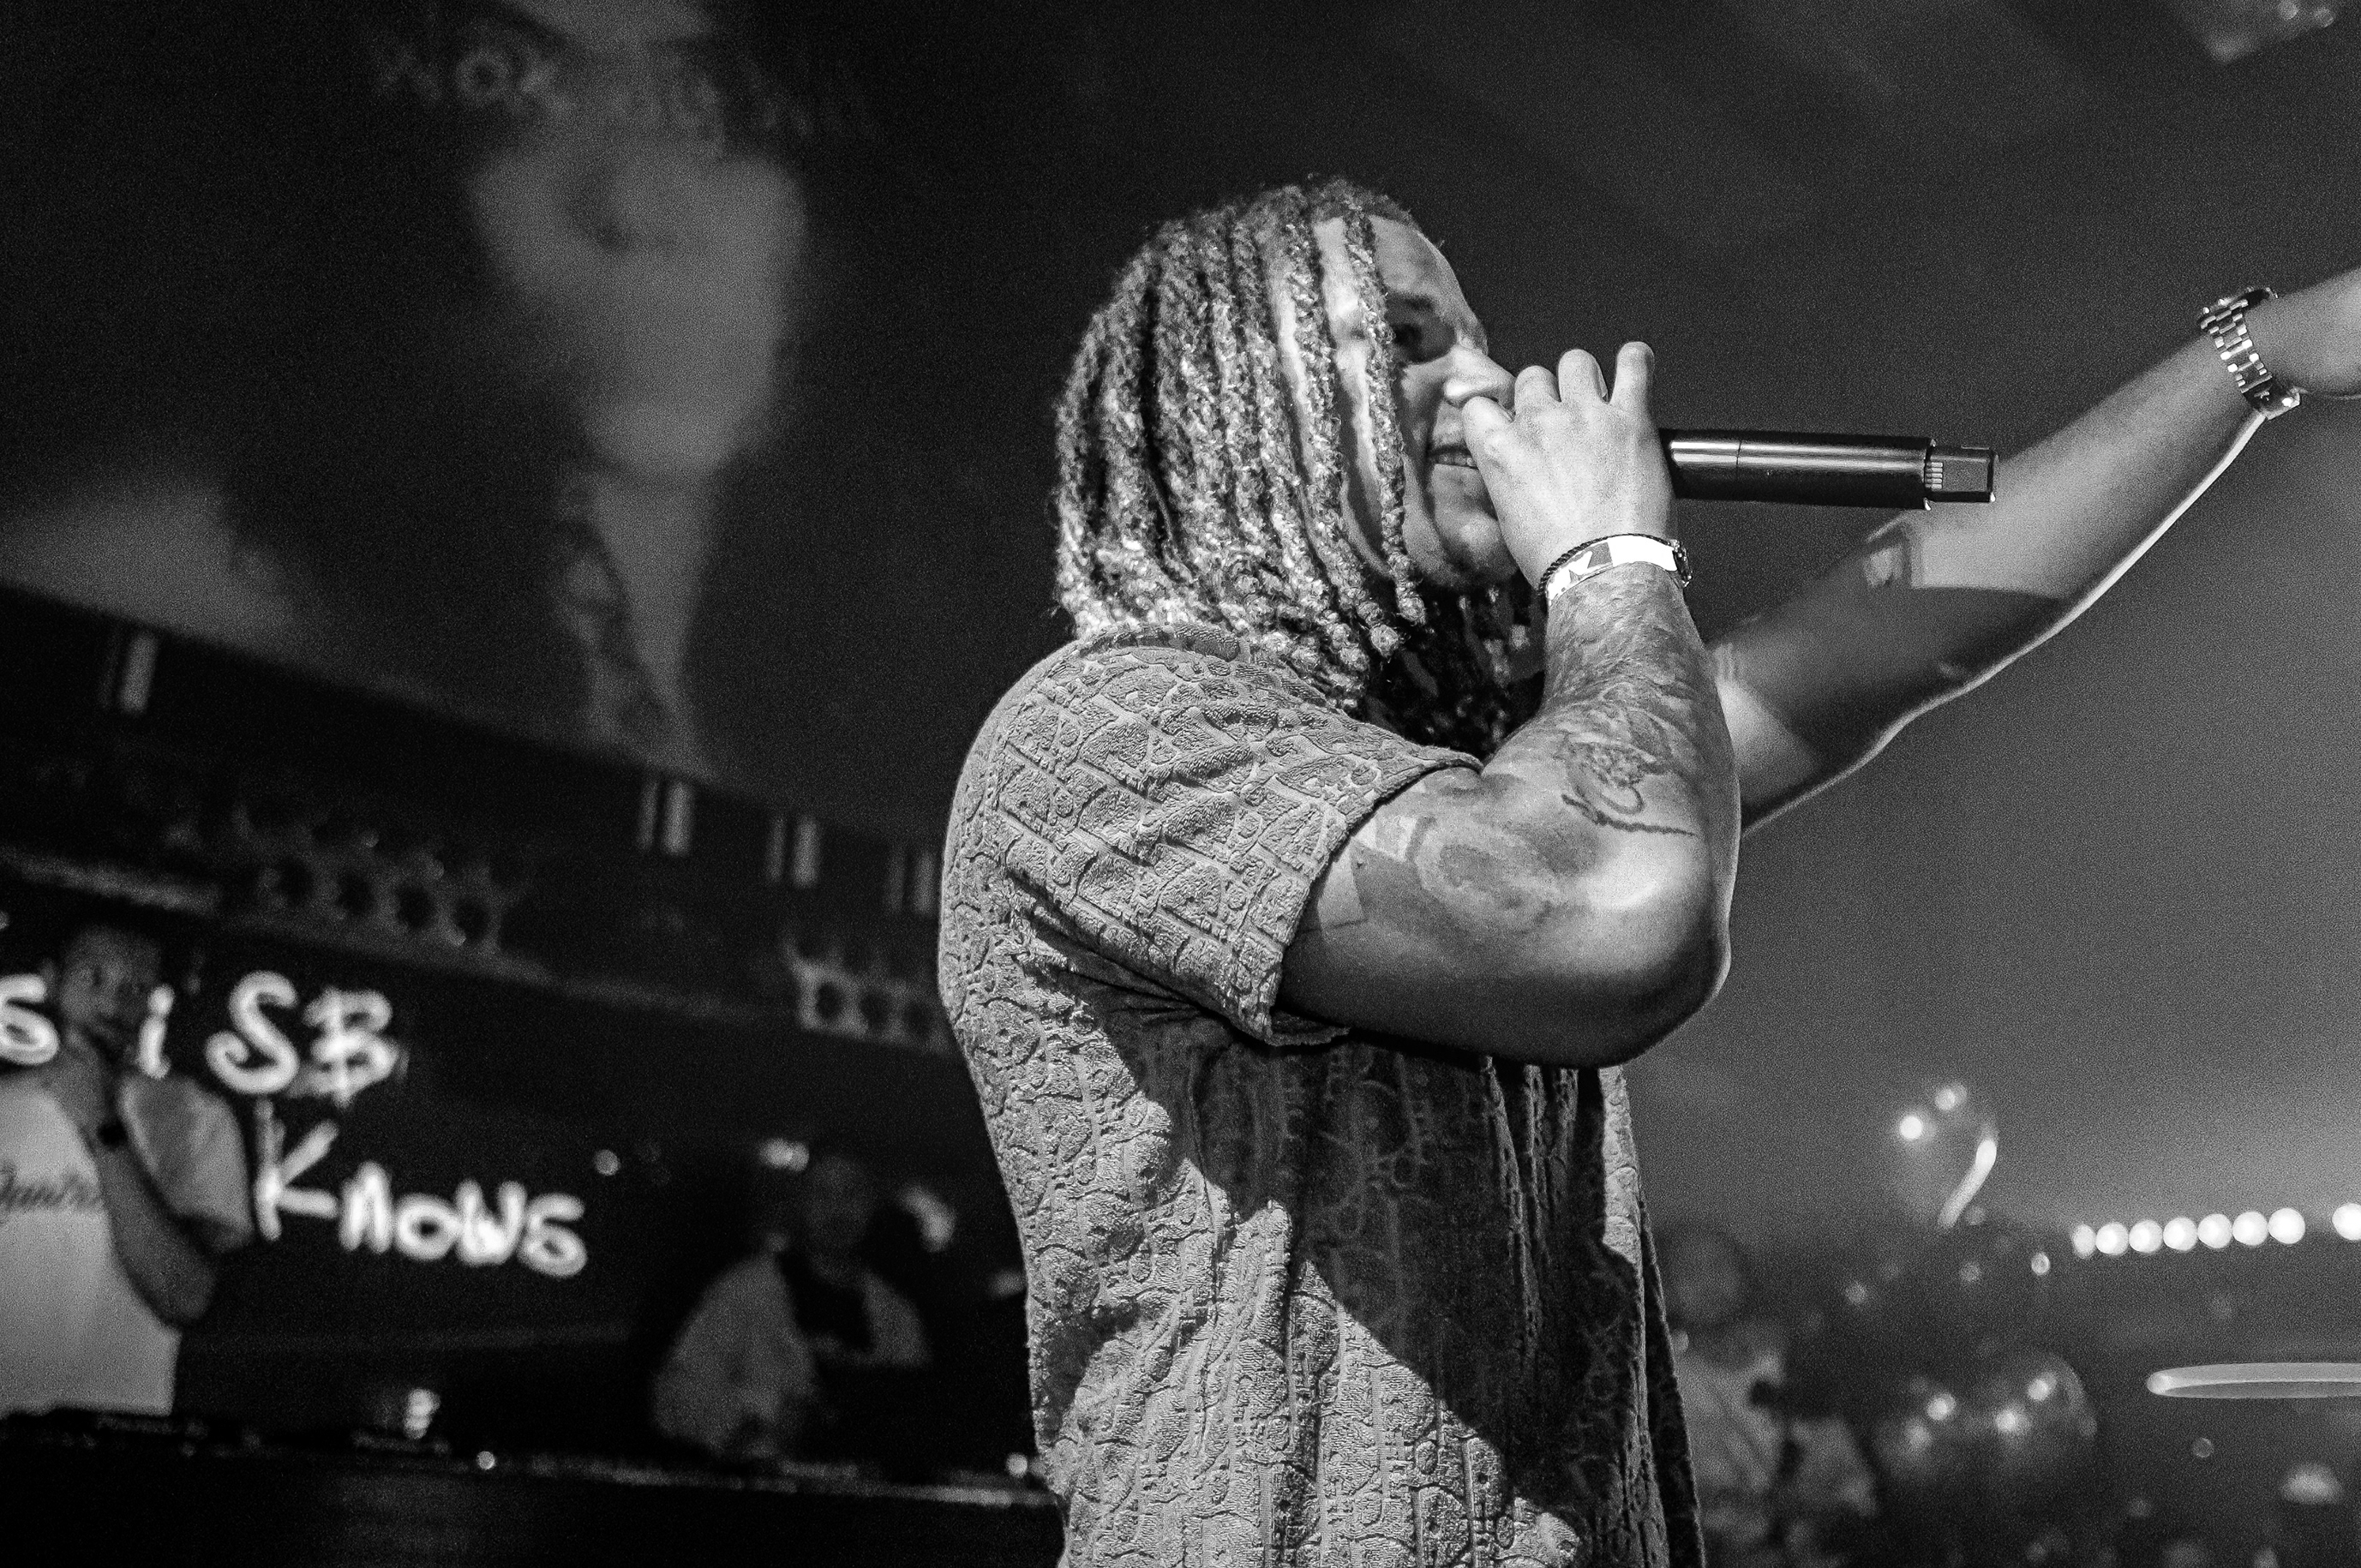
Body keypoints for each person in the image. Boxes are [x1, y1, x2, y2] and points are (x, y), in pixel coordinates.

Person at [938, 176, 2361, 1564]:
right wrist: (1609, 554)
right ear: (1239, 407)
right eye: (1410, 341)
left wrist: (2259, 359)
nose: (1491, 385)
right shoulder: (1110, 732)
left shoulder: (1478, 773)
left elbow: (1882, 639)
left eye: (1477, 337)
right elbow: (1622, 918)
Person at [0, 0, 829, 779]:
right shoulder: (143, 591)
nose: (631, 201)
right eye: (509, 98)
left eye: (703, 106)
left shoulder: (866, 709)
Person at [0, 919, 252, 1415]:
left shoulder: (195, 1116)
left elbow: (184, 1296)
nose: (113, 1003)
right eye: (94, 977)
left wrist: (101, 1123)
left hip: (119, 1435)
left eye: (135, 988)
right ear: (52, 981)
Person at [650, 1146, 928, 1465]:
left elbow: (916, 1416)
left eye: (851, 1193)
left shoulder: (897, 1315)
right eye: (822, 1193)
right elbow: (678, 1391)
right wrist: (760, 1420)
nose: (837, 1209)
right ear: (800, 1202)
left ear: (872, 1204)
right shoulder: (747, 1291)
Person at [1658, 1224, 1873, 1567]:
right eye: (1689, 1271)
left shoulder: (1793, 1360)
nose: (1708, 1282)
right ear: (1666, 1291)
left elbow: (1851, 1477)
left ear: (1742, 1274)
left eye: (1718, 1264)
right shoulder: (1671, 1390)